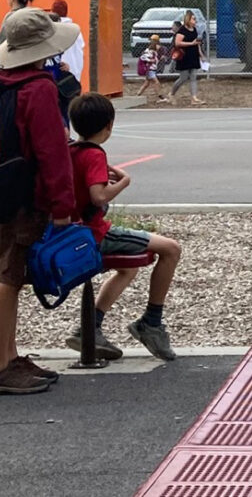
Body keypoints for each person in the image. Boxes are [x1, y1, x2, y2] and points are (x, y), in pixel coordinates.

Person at [0, 6, 85, 396]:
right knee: (10, 279)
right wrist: (62, 207)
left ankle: (8, 356)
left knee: (11, 275)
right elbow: (52, 153)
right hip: (25, 199)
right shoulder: (38, 87)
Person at [67, 93, 182, 362]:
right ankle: (151, 322)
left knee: (128, 267)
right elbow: (98, 196)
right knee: (171, 249)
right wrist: (124, 182)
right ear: (109, 125)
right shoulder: (95, 154)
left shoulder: (70, 150)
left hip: (73, 230)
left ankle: (89, 327)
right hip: (94, 232)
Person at [169, 8, 206, 106]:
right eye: (193, 19)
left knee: (193, 77)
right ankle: (171, 93)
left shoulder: (194, 30)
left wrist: (201, 54)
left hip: (193, 55)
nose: (195, 21)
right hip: (184, 56)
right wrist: (191, 43)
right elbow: (177, 43)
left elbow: (196, 43)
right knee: (183, 78)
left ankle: (194, 98)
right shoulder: (182, 30)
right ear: (188, 20)